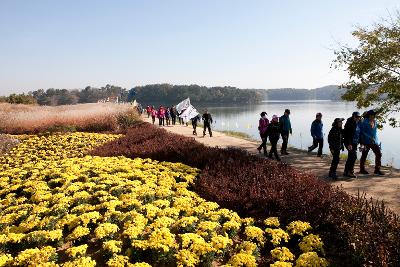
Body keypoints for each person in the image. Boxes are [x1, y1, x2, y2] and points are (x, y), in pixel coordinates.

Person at [359, 110, 384, 175]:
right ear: (370, 115)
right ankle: (362, 169)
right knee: (364, 155)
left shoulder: (375, 122)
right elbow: (362, 132)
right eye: (373, 115)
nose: (374, 116)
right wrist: (369, 137)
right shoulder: (364, 122)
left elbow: (375, 133)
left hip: (374, 142)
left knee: (379, 154)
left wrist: (377, 141)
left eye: (374, 115)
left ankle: (377, 170)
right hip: (365, 142)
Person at [343, 111, 362, 178]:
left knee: (351, 156)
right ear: (353, 116)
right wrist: (349, 144)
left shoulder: (359, 123)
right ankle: (350, 171)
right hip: (348, 142)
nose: (357, 118)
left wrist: (361, 144)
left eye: (358, 117)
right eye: (356, 117)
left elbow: (360, 134)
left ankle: (346, 171)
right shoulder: (349, 123)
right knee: (354, 156)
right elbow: (347, 134)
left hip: (355, 142)